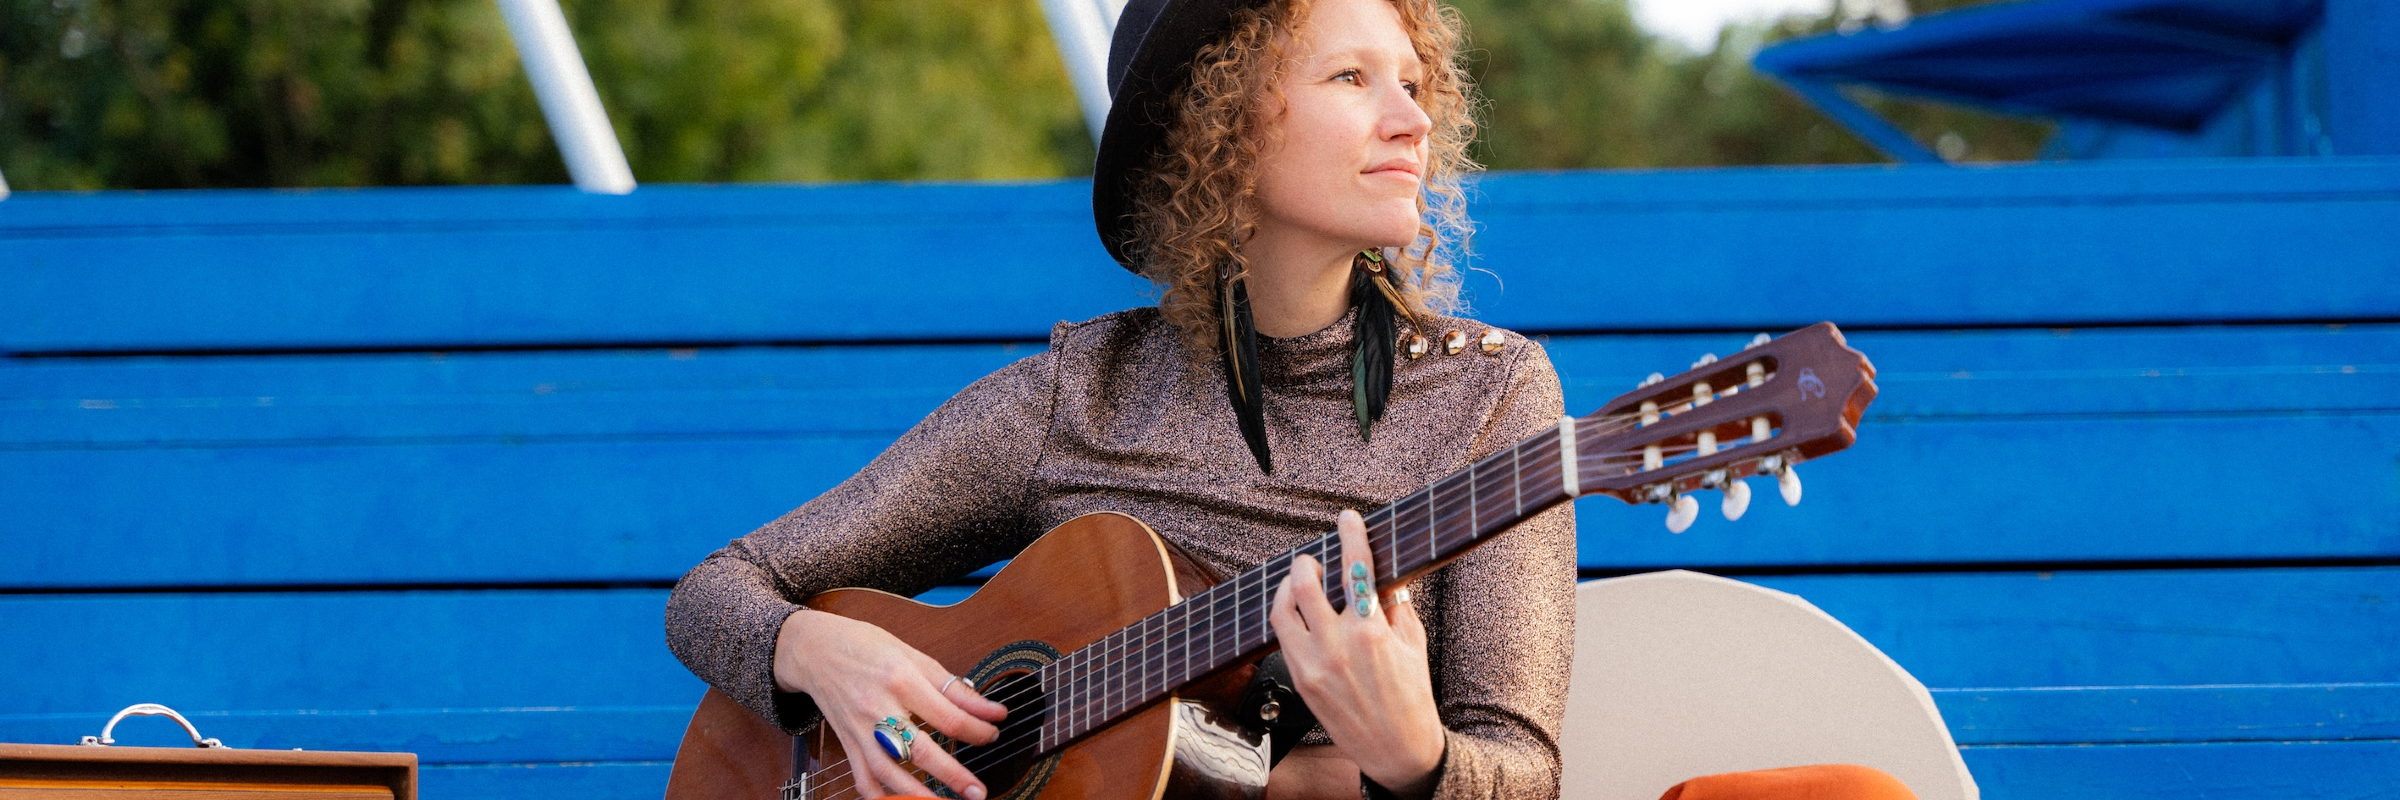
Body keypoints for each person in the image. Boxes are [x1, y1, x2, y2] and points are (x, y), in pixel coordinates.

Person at [665, 1, 1917, 799]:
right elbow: (716, 587)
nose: (1410, 115)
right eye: (1351, 78)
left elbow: (1519, 769)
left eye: (1414, 78)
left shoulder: (1491, 396)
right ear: (1222, 125)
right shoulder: (1074, 393)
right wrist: (822, 655)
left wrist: (1413, 761)